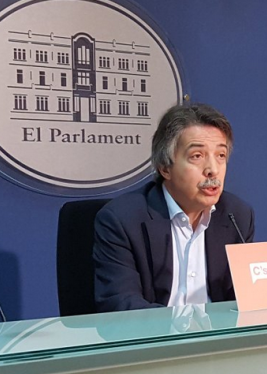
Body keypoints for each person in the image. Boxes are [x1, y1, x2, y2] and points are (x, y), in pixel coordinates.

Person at [93, 103, 255, 313]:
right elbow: (120, 305)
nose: (213, 170)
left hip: (219, 334)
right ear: (165, 167)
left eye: (221, 156)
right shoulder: (122, 220)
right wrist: (184, 324)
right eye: (197, 156)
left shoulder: (237, 216)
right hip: (154, 334)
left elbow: (245, 299)